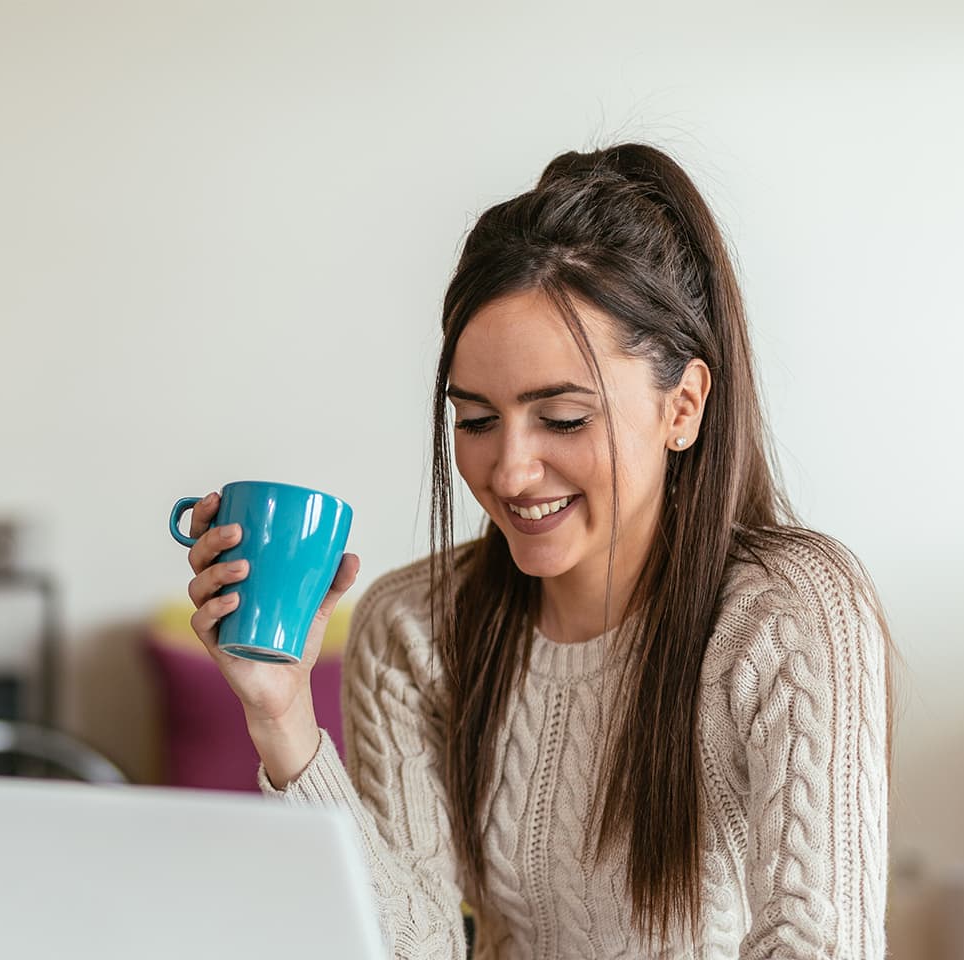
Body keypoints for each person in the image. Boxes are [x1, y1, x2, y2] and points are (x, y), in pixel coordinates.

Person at [179, 143, 891, 960]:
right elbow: (422, 948)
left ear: (683, 407)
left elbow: (817, 943)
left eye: (562, 418)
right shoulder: (413, 629)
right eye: (476, 420)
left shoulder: (789, 613)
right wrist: (280, 715)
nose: (510, 471)